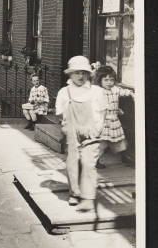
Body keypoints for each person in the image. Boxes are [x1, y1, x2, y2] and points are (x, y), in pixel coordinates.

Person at [56, 56, 108, 212]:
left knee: (88, 163)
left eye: (84, 73)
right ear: (70, 75)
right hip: (72, 132)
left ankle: (88, 198)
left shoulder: (96, 91)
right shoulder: (64, 92)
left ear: (89, 74)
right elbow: (60, 114)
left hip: (91, 132)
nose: (81, 76)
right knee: (73, 162)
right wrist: (68, 128)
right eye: (77, 73)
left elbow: (103, 111)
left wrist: (97, 129)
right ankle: (74, 193)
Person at [94, 65, 134, 168]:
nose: (109, 82)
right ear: (100, 80)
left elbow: (124, 92)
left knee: (120, 139)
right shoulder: (98, 91)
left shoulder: (115, 89)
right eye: (106, 80)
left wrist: (132, 94)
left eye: (111, 80)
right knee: (101, 143)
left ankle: (125, 157)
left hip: (114, 120)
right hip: (104, 120)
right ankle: (95, 160)